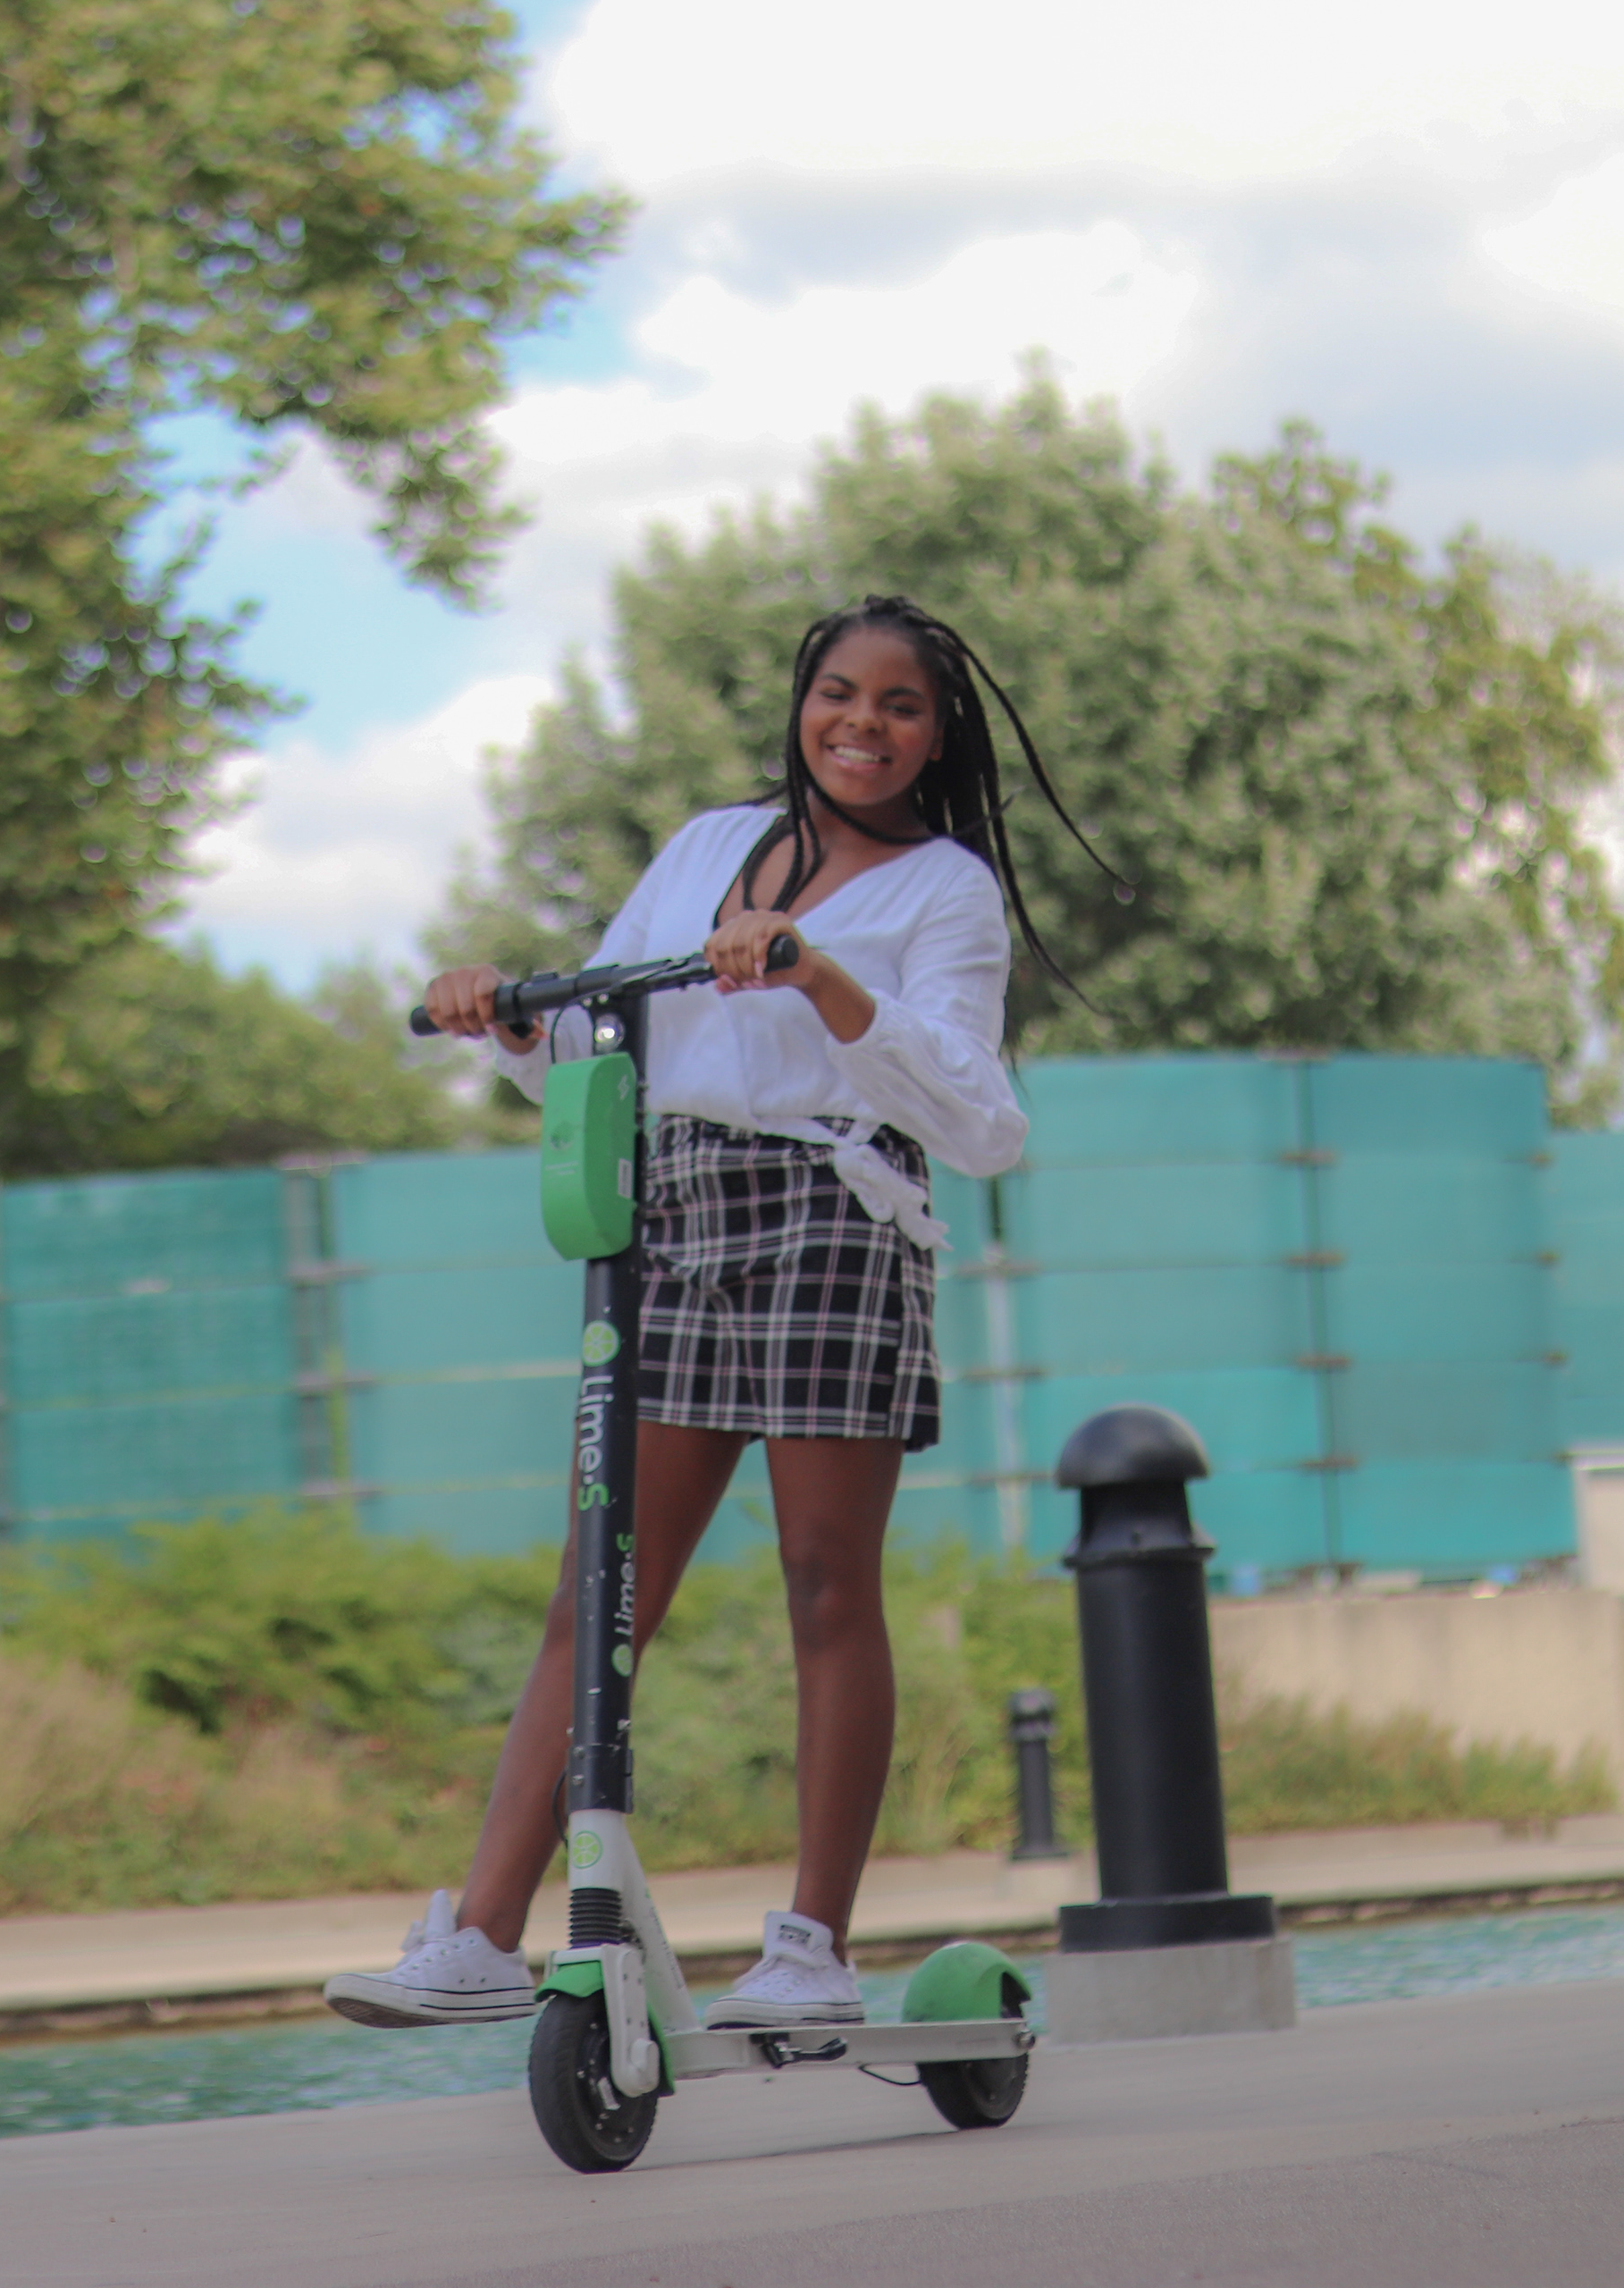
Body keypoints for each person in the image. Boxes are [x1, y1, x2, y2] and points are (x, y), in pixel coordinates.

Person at [324, 593, 1102, 2033]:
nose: (863, 725)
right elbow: (598, 1035)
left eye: (902, 706)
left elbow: (981, 1120)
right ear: (802, 705)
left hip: (833, 1214)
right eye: (839, 694)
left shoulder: (943, 890)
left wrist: (822, 976)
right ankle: (483, 1934)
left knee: (825, 1581)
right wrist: (507, 1012)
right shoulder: (703, 847)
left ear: (939, 738)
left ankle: (811, 1951)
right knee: (602, 1583)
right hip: (672, 1215)